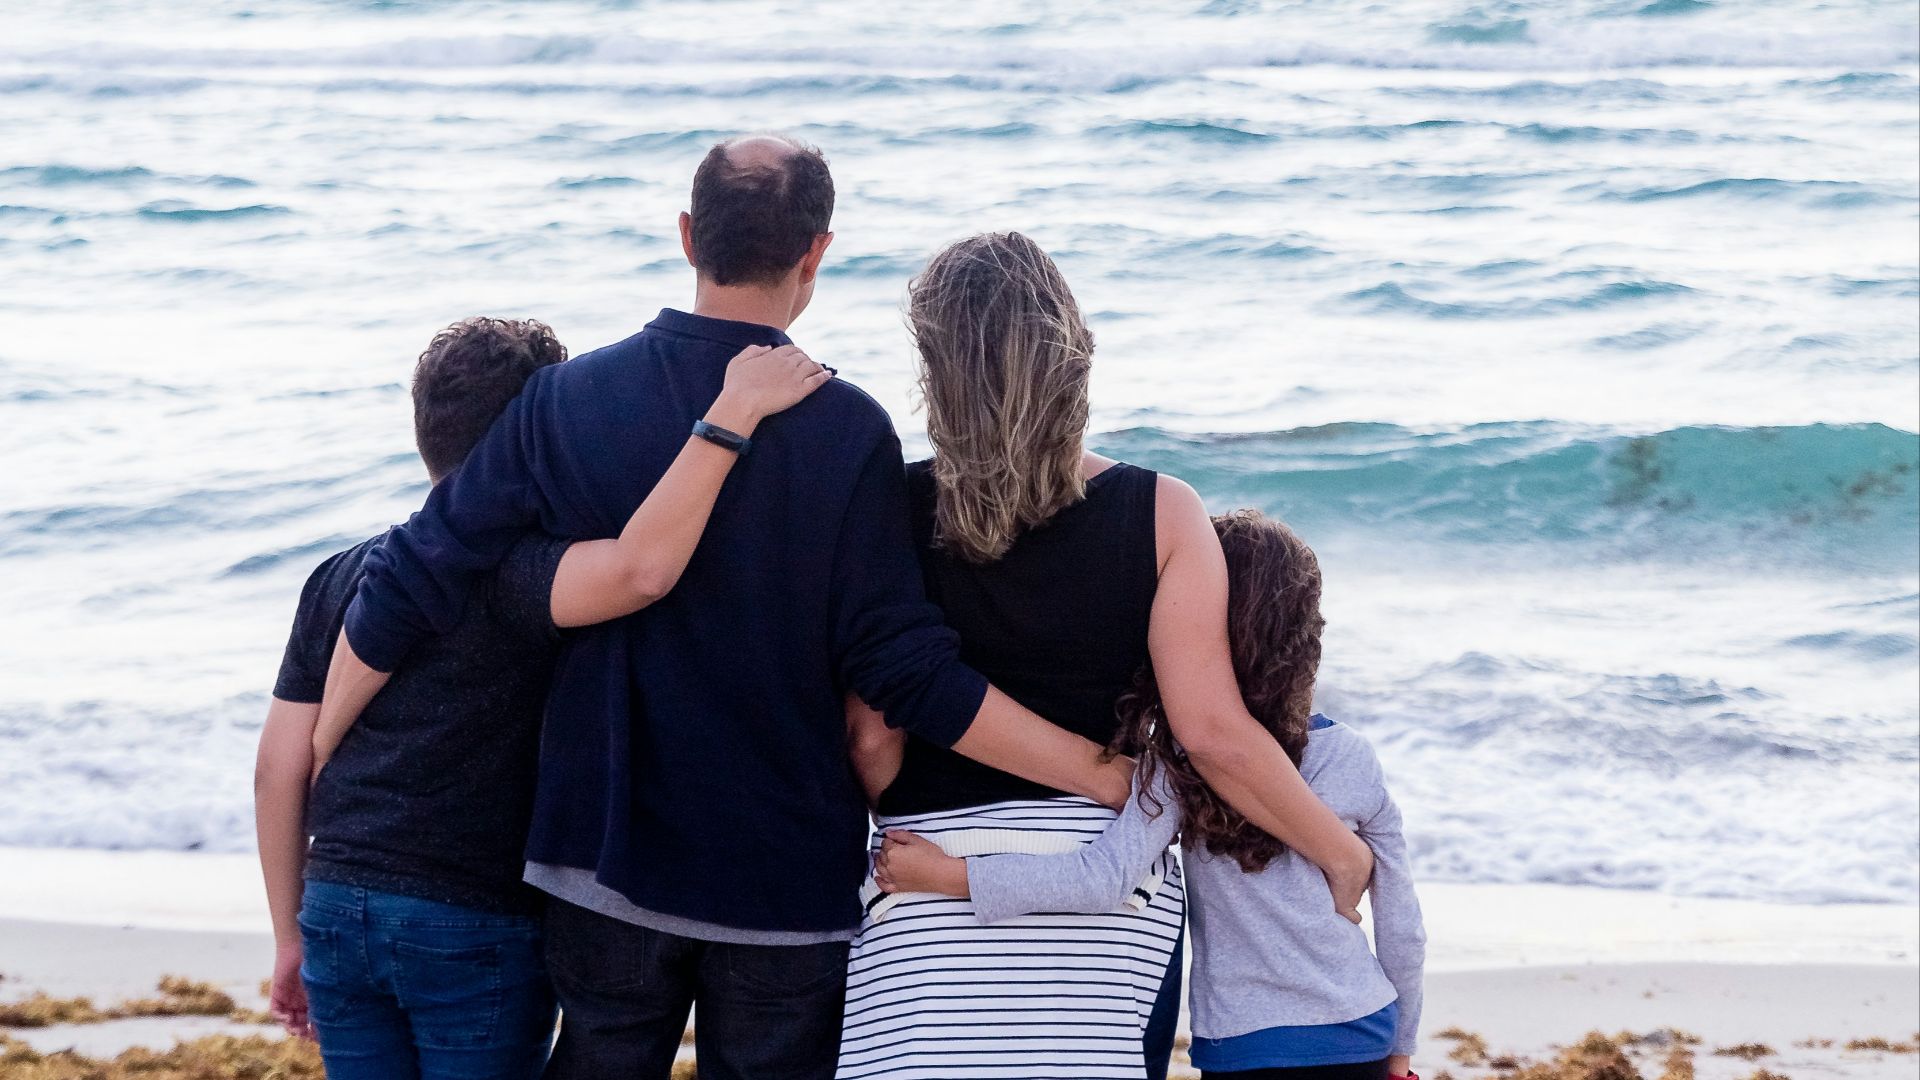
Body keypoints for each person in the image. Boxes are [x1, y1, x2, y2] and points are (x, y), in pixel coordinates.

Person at [305, 136, 1135, 1080]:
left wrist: (324, 741)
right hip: (781, 876)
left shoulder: (566, 399)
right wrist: (1099, 774)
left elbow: (417, 571)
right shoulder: (849, 429)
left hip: (600, 857)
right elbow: (902, 671)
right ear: (817, 252)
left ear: (688, 235)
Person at [834, 233, 1377, 1080]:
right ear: (1073, 356)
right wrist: (1342, 855)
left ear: (935, 367)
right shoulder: (1163, 510)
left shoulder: (890, 506)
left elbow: (872, 738)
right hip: (1110, 888)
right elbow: (1213, 736)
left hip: (926, 880)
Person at [254, 316, 830, 1079]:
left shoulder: (339, 576)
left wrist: (287, 936)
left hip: (334, 902)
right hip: (470, 916)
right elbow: (640, 570)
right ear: (539, 436)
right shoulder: (523, 576)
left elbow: (277, 769)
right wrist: (730, 419)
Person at [877, 511, 1427, 1080]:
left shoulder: (1181, 761)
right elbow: (1402, 928)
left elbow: (1102, 878)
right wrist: (1401, 1055)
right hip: (1364, 1029)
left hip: (1245, 1045)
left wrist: (950, 875)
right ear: (1304, 631)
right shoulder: (1352, 756)